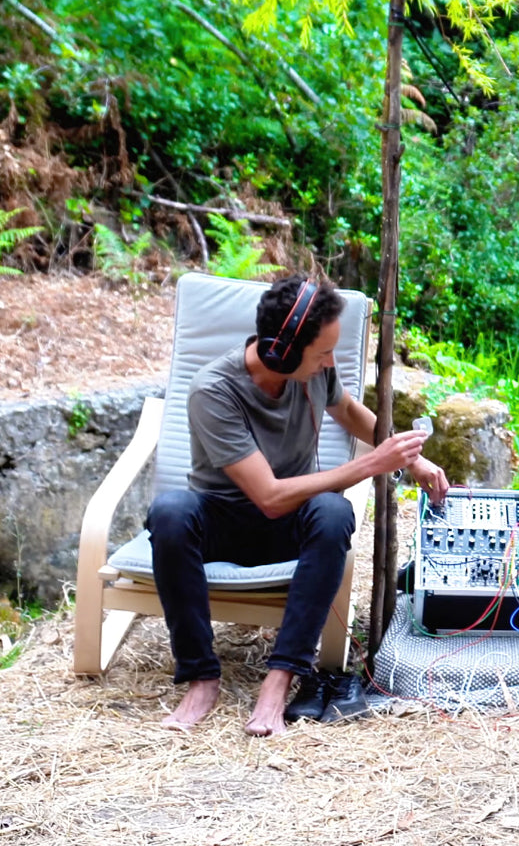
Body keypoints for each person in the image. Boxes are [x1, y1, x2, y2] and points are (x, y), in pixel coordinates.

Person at [145, 274, 448, 736]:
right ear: (281, 351)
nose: (331, 362)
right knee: (169, 513)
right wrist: (372, 466)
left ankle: (279, 681)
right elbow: (267, 497)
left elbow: (348, 411)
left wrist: (415, 460)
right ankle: (201, 678)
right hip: (224, 520)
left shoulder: (316, 372)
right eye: (323, 353)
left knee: (333, 513)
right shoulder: (213, 391)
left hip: (291, 524)